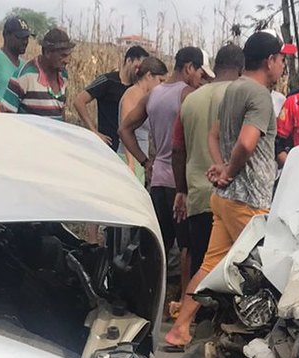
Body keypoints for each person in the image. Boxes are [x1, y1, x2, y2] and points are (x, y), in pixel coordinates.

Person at [162, 31, 290, 350]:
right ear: (269, 61)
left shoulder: (234, 89)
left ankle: (180, 329)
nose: (283, 65)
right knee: (267, 275)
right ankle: (267, 345)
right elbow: (247, 143)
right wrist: (229, 172)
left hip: (225, 199)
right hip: (249, 203)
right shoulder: (260, 96)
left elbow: (213, 135)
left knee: (209, 266)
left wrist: (220, 167)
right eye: (281, 59)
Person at [171, 44, 245, 313]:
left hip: (198, 194)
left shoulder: (191, 100)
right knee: (231, 269)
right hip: (234, 196)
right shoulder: (242, 96)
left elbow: (177, 149)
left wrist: (181, 190)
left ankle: (195, 320)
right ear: (241, 68)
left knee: (201, 262)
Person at [119, 47, 213, 257]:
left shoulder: (153, 94)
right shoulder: (188, 95)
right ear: (189, 67)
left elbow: (124, 129)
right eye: (200, 74)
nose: (200, 80)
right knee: (186, 247)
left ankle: (154, 279)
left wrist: (145, 162)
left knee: (160, 245)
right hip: (180, 182)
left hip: (158, 178)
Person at [72, 45, 148, 150]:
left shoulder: (137, 88)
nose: (138, 72)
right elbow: (79, 101)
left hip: (127, 146)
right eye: (137, 67)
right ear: (129, 61)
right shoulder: (107, 80)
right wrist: (94, 131)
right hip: (107, 145)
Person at [1, 28, 75, 119]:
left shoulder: (63, 75)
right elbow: (6, 116)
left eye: (68, 55)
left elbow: (61, 111)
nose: (67, 61)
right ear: (47, 53)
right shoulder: (24, 76)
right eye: (63, 56)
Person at [118, 56, 166, 184]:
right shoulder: (132, 94)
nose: (161, 85)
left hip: (140, 159)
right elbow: (125, 130)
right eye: (160, 80)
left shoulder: (145, 97)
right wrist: (130, 164)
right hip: (129, 159)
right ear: (149, 76)